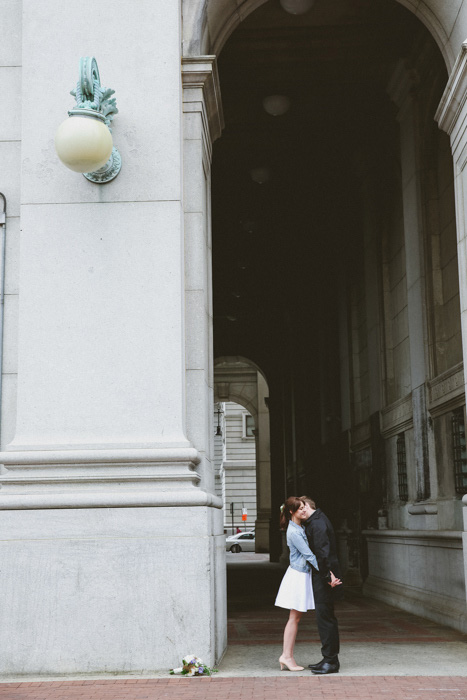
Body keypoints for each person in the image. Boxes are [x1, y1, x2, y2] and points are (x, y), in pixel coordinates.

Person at [275, 496, 319, 672]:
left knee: (296, 617)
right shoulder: (294, 532)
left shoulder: (299, 527)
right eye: (300, 508)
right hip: (298, 576)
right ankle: (286, 656)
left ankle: (287, 655)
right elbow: (308, 555)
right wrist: (326, 574)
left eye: (304, 507)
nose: (303, 510)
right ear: (291, 512)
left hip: (301, 574)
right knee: (294, 618)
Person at [300, 496, 343, 675]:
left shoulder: (317, 524)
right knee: (326, 618)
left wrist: (327, 577)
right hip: (325, 576)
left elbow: (322, 554)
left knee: (325, 619)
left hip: (324, 578)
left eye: (301, 507)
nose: (299, 512)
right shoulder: (317, 520)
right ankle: (328, 658)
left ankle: (331, 661)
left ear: (308, 506)